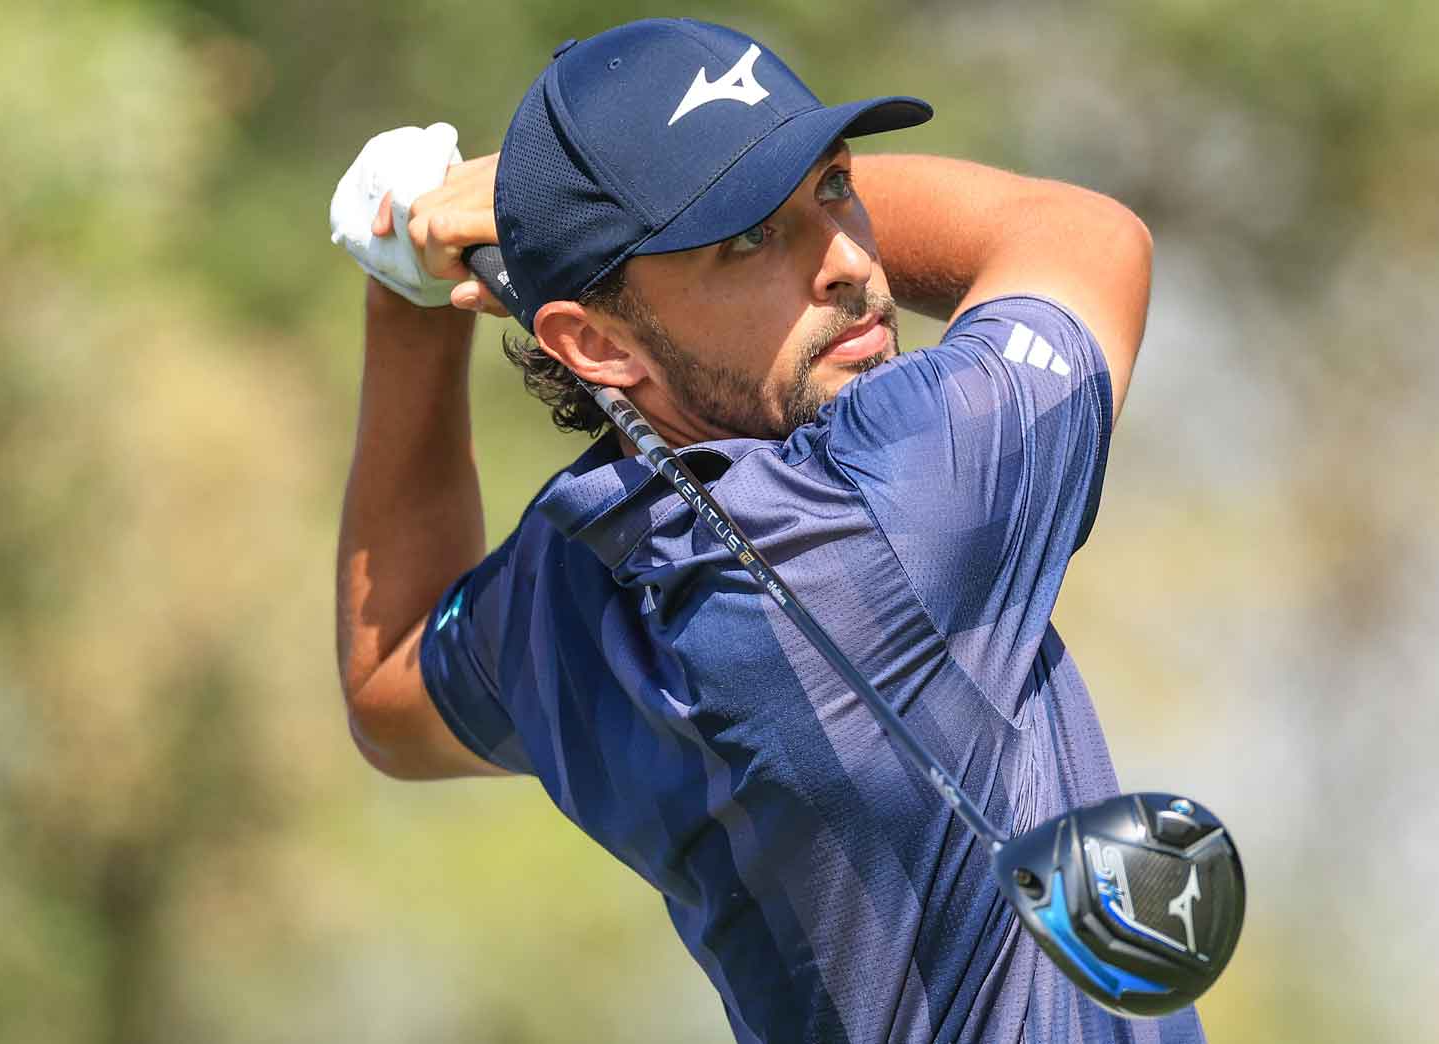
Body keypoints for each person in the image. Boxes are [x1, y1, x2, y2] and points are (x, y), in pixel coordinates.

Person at [334, 17, 1199, 1044]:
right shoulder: (896, 502)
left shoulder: (570, 584)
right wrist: (499, 221)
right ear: (592, 342)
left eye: (834, 183)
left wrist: (404, 291)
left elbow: (388, 682)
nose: (842, 260)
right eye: (747, 235)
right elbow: (1083, 234)